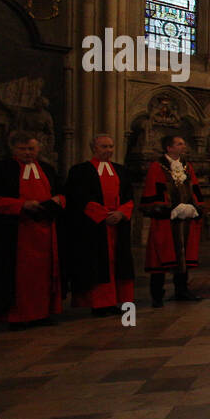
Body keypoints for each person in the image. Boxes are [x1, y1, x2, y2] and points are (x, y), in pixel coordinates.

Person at [0, 132, 65, 327]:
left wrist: (57, 201)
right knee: (19, 277)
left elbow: (62, 193)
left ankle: (42, 313)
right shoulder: (0, 169)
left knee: (43, 275)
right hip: (16, 233)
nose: (28, 152)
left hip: (45, 232)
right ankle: (18, 316)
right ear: (13, 149)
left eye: (31, 148)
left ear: (38, 149)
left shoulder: (48, 169)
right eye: (23, 149)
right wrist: (22, 205)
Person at [64, 134, 135, 316]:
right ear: (94, 148)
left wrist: (121, 213)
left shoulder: (121, 170)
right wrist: (103, 215)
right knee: (97, 264)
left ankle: (113, 301)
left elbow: (129, 196)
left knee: (117, 264)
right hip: (94, 228)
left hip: (117, 226)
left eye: (111, 146)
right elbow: (79, 197)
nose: (108, 150)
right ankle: (99, 303)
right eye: (104, 147)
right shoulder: (80, 171)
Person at [142, 135, 205, 307]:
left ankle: (182, 290)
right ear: (169, 148)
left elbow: (195, 188)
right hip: (166, 220)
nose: (183, 146)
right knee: (160, 257)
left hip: (184, 219)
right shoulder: (157, 167)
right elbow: (152, 191)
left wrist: (194, 207)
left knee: (183, 255)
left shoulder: (186, 166)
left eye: (183, 143)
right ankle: (157, 295)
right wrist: (168, 208)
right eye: (179, 144)